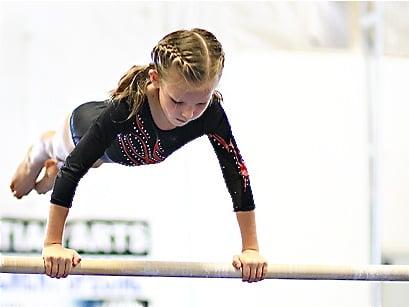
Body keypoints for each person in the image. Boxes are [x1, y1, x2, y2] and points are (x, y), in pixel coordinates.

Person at [10, 28, 267, 282]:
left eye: (200, 102)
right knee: (63, 157)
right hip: (81, 130)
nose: (188, 114)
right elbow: (74, 170)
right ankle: (40, 151)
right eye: (177, 102)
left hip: (109, 154)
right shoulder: (129, 107)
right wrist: (53, 244)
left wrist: (251, 249)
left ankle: (48, 177)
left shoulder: (211, 115)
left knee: (61, 177)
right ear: (155, 78)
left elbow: (236, 173)